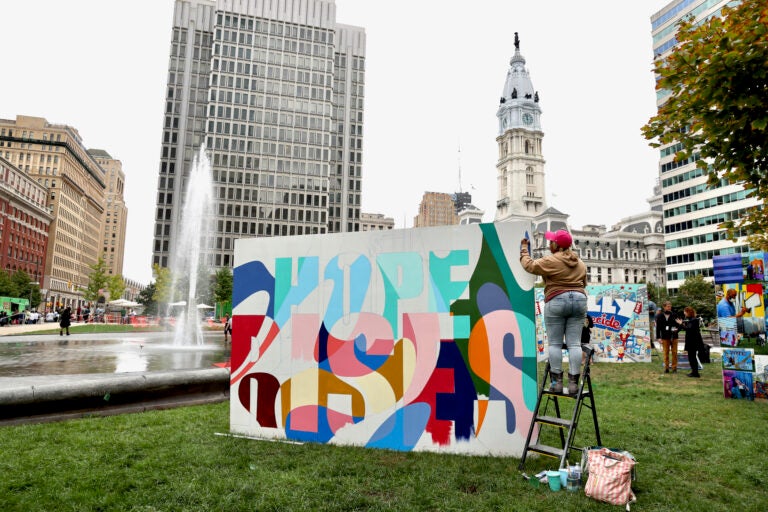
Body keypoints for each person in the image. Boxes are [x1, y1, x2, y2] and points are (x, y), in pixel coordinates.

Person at [520, 229, 587, 394]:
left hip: (556, 299)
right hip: (579, 300)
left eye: (551, 241)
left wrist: (523, 250)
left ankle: (556, 383)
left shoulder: (551, 260)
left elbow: (530, 265)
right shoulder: (580, 263)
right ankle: (573, 384)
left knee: (556, 344)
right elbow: (584, 283)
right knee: (574, 344)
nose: (549, 244)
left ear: (556, 245)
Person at [676, 306, 704, 378]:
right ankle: (694, 371)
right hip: (691, 340)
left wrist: (681, 324)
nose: (684, 313)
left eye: (685, 311)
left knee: (692, 357)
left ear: (688, 312)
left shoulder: (694, 320)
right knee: (691, 357)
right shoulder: (690, 319)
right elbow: (687, 327)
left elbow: (688, 329)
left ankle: (695, 373)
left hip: (693, 341)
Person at [655, 301, 679, 373]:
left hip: (674, 336)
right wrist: (658, 337)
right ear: (664, 307)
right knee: (666, 353)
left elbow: (679, 324)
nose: (669, 308)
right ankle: (666, 368)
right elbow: (658, 328)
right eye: (668, 306)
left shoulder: (674, 315)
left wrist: (677, 329)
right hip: (665, 337)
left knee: (674, 353)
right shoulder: (659, 316)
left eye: (670, 306)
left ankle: (674, 368)